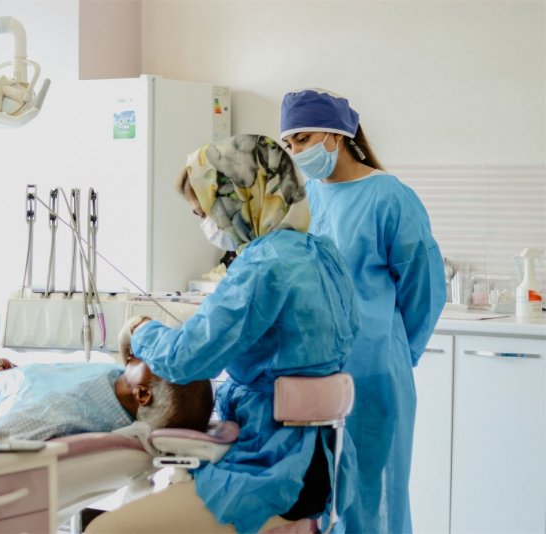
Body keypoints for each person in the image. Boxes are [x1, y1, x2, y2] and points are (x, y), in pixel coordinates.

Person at [88, 134, 361, 534]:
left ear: (235, 197)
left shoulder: (262, 265)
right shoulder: (323, 254)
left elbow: (185, 359)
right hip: (325, 466)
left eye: (205, 212)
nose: (209, 225)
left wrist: (140, 330)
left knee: (105, 529)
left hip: (271, 469)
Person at [279, 88, 447, 534]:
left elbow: (424, 287)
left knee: (376, 495)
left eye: (303, 138)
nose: (296, 151)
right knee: (324, 496)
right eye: (289, 143)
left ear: (336, 136)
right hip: (318, 373)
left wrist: (394, 350)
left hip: (374, 371)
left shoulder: (388, 196)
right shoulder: (307, 198)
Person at [0, 355, 214, 441]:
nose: (151, 348)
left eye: (156, 357)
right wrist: (14, 376)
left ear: (142, 393)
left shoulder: (55, 412)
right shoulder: (114, 379)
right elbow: (43, 385)